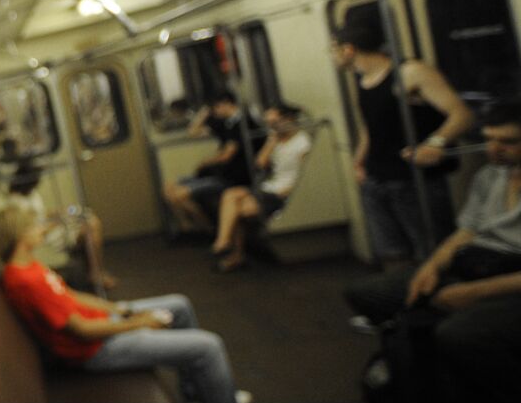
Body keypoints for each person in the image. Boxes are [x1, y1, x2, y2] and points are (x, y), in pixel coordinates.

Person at [344, 100, 521, 400]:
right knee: (367, 294)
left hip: (511, 276)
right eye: (489, 139)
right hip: (479, 262)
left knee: (460, 333)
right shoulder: (490, 176)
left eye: (508, 141)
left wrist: (473, 293)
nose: (494, 149)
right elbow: (466, 231)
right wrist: (432, 267)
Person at [0, 205, 241, 403]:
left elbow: (71, 296)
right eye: (34, 226)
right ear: (21, 235)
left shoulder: (30, 265)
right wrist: (138, 323)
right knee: (209, 347)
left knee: (179, 305)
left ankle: (200, 390)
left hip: (102, 326)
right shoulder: (24, 281)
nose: (41, 229)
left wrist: (120, 309)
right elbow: (82, 330)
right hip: (94, 350)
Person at [331, 21, 475, 266]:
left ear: (348, 49)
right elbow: (371, 126)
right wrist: (359, 161)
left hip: (413, 179)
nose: (332, 56)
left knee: (431, 253)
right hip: (376, 179)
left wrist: (435, 143)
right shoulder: (363, 79)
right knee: (392, 253)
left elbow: (462, 114)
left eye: (333, 49)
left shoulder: (410, 72)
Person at [212, 103, 313, 272]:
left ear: (289, 120)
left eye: (275, 123)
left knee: (239, 210)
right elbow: (260, 163)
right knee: (230, 194)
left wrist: (287, 192)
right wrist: (271, 141)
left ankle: (232, 252)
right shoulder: (276, 140)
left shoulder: (302, 143)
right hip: (270, 187)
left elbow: (305, 176)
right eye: (270, 124)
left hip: (283, 192)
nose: (273, 128)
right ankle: (224, 243)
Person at [1, 156, 117, 291]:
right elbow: (30, 228)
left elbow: (40, 214)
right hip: (44, 235)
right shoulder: (16, 203)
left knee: (90, 219)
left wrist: (62, 212)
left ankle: (95, 271)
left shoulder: (30, 194)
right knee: (91, 226)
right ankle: (95, 274)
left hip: (48, 227)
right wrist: (58, 222)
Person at [162, 92, 262, 238]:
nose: (214, 111)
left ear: (226, 103)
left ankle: (209, 231)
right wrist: (204, 113)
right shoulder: (226, 123)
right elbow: (193, 132)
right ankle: (192, 228)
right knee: (168, 188)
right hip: (220, 174)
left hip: (232, 177)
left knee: (179, 195)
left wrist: (205, 163)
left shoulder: (242, 123)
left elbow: (227, 155)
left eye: (216, 107)